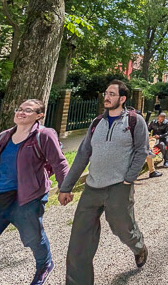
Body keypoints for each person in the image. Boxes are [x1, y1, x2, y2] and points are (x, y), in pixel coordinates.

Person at [0, 99, 69, 285]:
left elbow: (60, 163)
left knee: (34, 239)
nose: (21, 112)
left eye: (28, 110)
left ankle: (45, 263)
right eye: (20, 109)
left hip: (27, 199)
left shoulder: (44, 135)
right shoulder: (4, 137)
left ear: (39, 116)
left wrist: (65, 188)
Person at [58, 80, 149, 284]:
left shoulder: (134, 121)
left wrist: (129, 179)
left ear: (122, 99)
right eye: (105, 93)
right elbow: (82, 155)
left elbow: (141, 151)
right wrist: (66, 187)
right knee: (79, 240)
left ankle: (138, 246)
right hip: (92, 187)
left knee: (122, 228)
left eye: (112, 94)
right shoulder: (96, 123)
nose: (106, 97)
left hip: (119, 187)